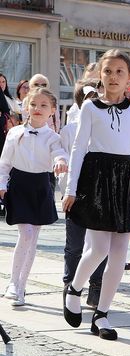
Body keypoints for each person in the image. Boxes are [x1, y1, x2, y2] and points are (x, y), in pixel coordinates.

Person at [62, 49, 130, 341]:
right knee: (98, 248)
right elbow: (78, 147)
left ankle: (102, 314)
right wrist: (71, 189)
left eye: (119, 71)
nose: (112, 76)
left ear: (129, 76)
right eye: (108, 71)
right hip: (96, 177)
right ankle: (74, 287)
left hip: (124, 177)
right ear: (101, 75)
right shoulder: (90, 107)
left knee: (120, 252)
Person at [0, 88, 68, 306]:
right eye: (33, 104)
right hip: (19, 185)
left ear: (52, 111)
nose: (38, 109)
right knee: (26, 234)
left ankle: (21, 286)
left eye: (43, 105)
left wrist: (59, 161)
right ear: (26, 107)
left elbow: (59, 153)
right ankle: (13, 283)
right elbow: (4, 162)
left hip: (40, 185)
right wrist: (2, 184)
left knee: (33, 238)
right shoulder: (15, 133)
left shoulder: (53, 137)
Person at [59, 79, 105, 309]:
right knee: (75, 245)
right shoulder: (69, 130)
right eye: (89, 98)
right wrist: (68, 189)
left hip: (101, 192)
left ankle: (96, 288)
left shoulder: (107, 126)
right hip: (77, 194)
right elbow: (68, 159)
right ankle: (70, 285)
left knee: (99, 246)